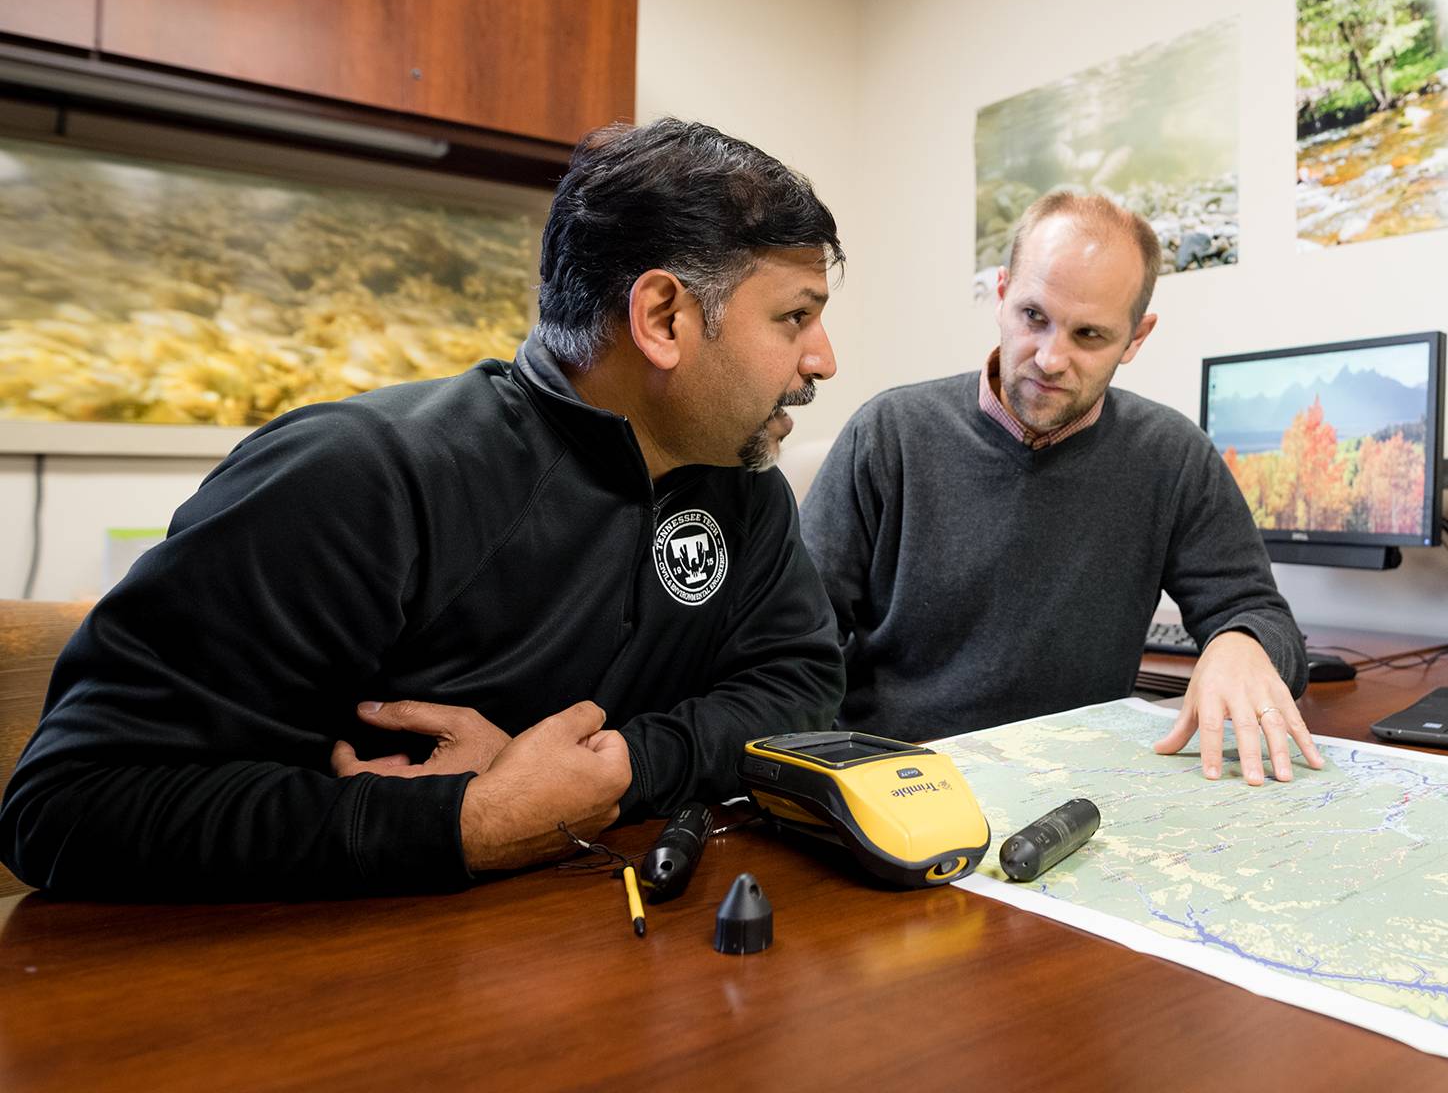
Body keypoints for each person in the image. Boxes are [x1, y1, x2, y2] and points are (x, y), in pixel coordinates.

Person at [0, 118, 845, 898]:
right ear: (663, 317)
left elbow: (800, 683)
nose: (824, 359)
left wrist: (615, 767)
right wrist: (471, 824)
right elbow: (66, 806)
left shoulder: (739, 482)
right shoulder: (356, 474)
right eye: (795, 317)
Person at [801, 191, 1322, 786]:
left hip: (1079, 788)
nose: (1051, 358)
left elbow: (1261, 617)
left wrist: (1242, 643)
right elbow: (792, 638)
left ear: (1136, 337)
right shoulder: (889, 434)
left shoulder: (1171, 456)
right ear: (1001, 295)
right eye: (1033, 317)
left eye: (1090, 335)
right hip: (904, 779)